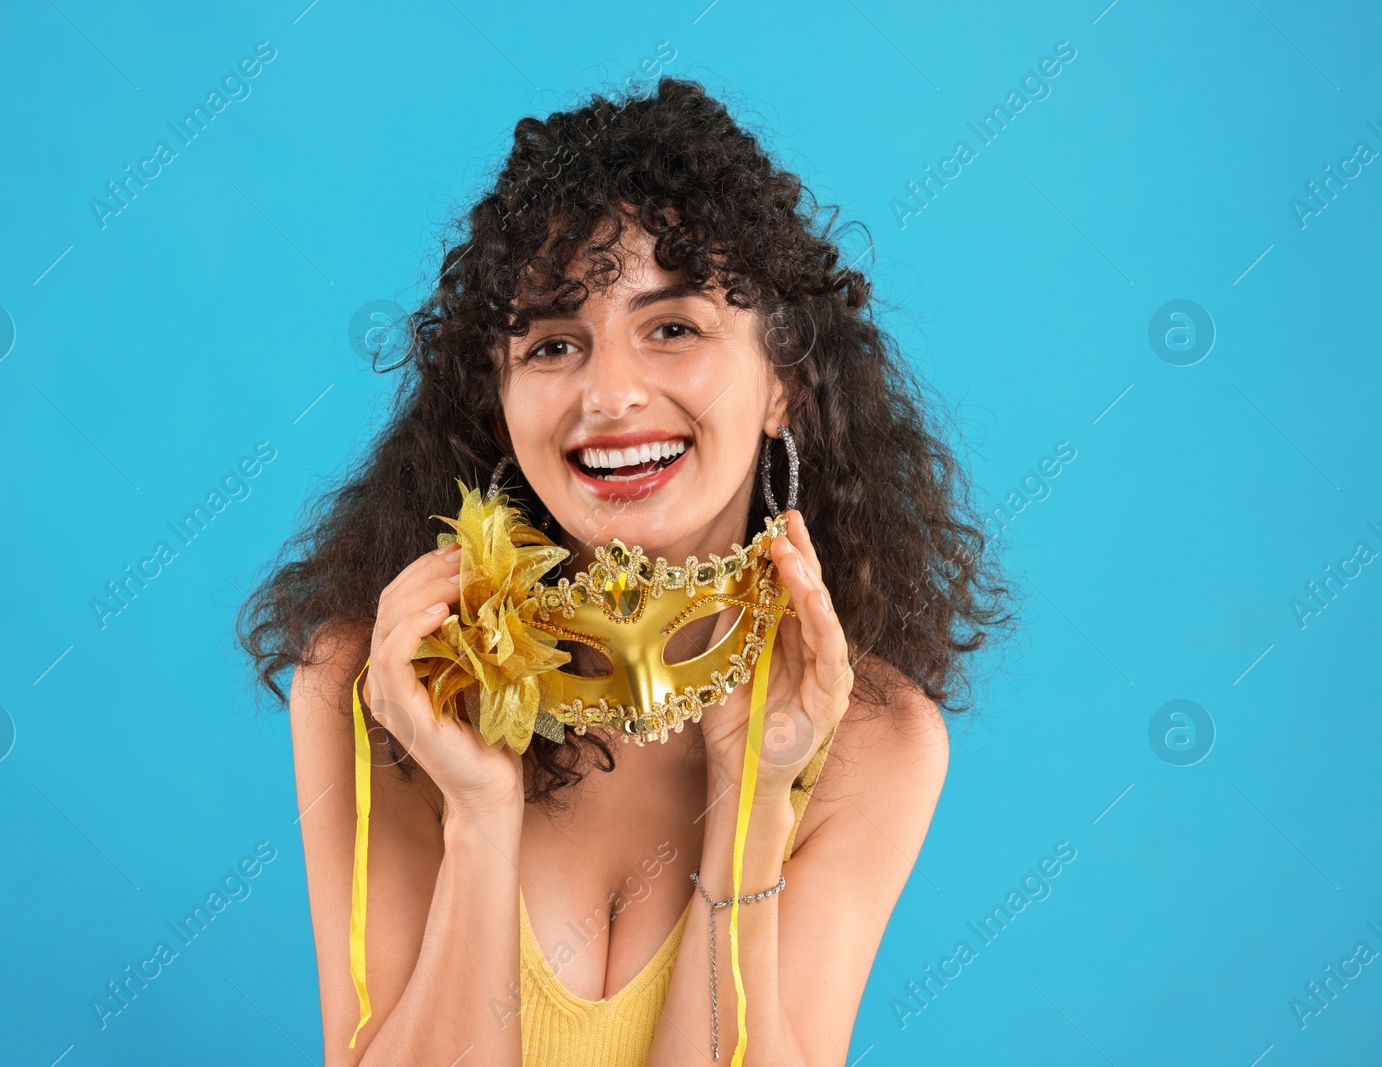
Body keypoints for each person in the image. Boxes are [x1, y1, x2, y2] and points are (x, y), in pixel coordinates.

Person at [238, 76, 1014, 1067]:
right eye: (554, 342)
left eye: (674, 327)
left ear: (784, 384)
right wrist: (478, 814)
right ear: (499, 399)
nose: (608, 395)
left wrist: (751, 797)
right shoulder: (374, 685)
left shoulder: (875, 740)